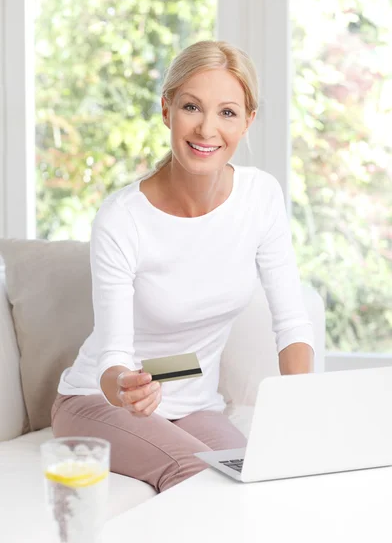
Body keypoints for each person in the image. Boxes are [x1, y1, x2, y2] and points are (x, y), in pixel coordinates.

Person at [51, 40, 315, 493]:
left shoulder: (260, 198)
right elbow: (113, 359)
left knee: (263, 479)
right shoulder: (123, 218)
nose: (207, 128)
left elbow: (291, 323)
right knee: (197, 479)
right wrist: (128, 386)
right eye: (192, 107)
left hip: (196, 406)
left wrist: (304, 411)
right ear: (167, 109)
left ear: (248, 121)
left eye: (227, 113)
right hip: (98, 402)